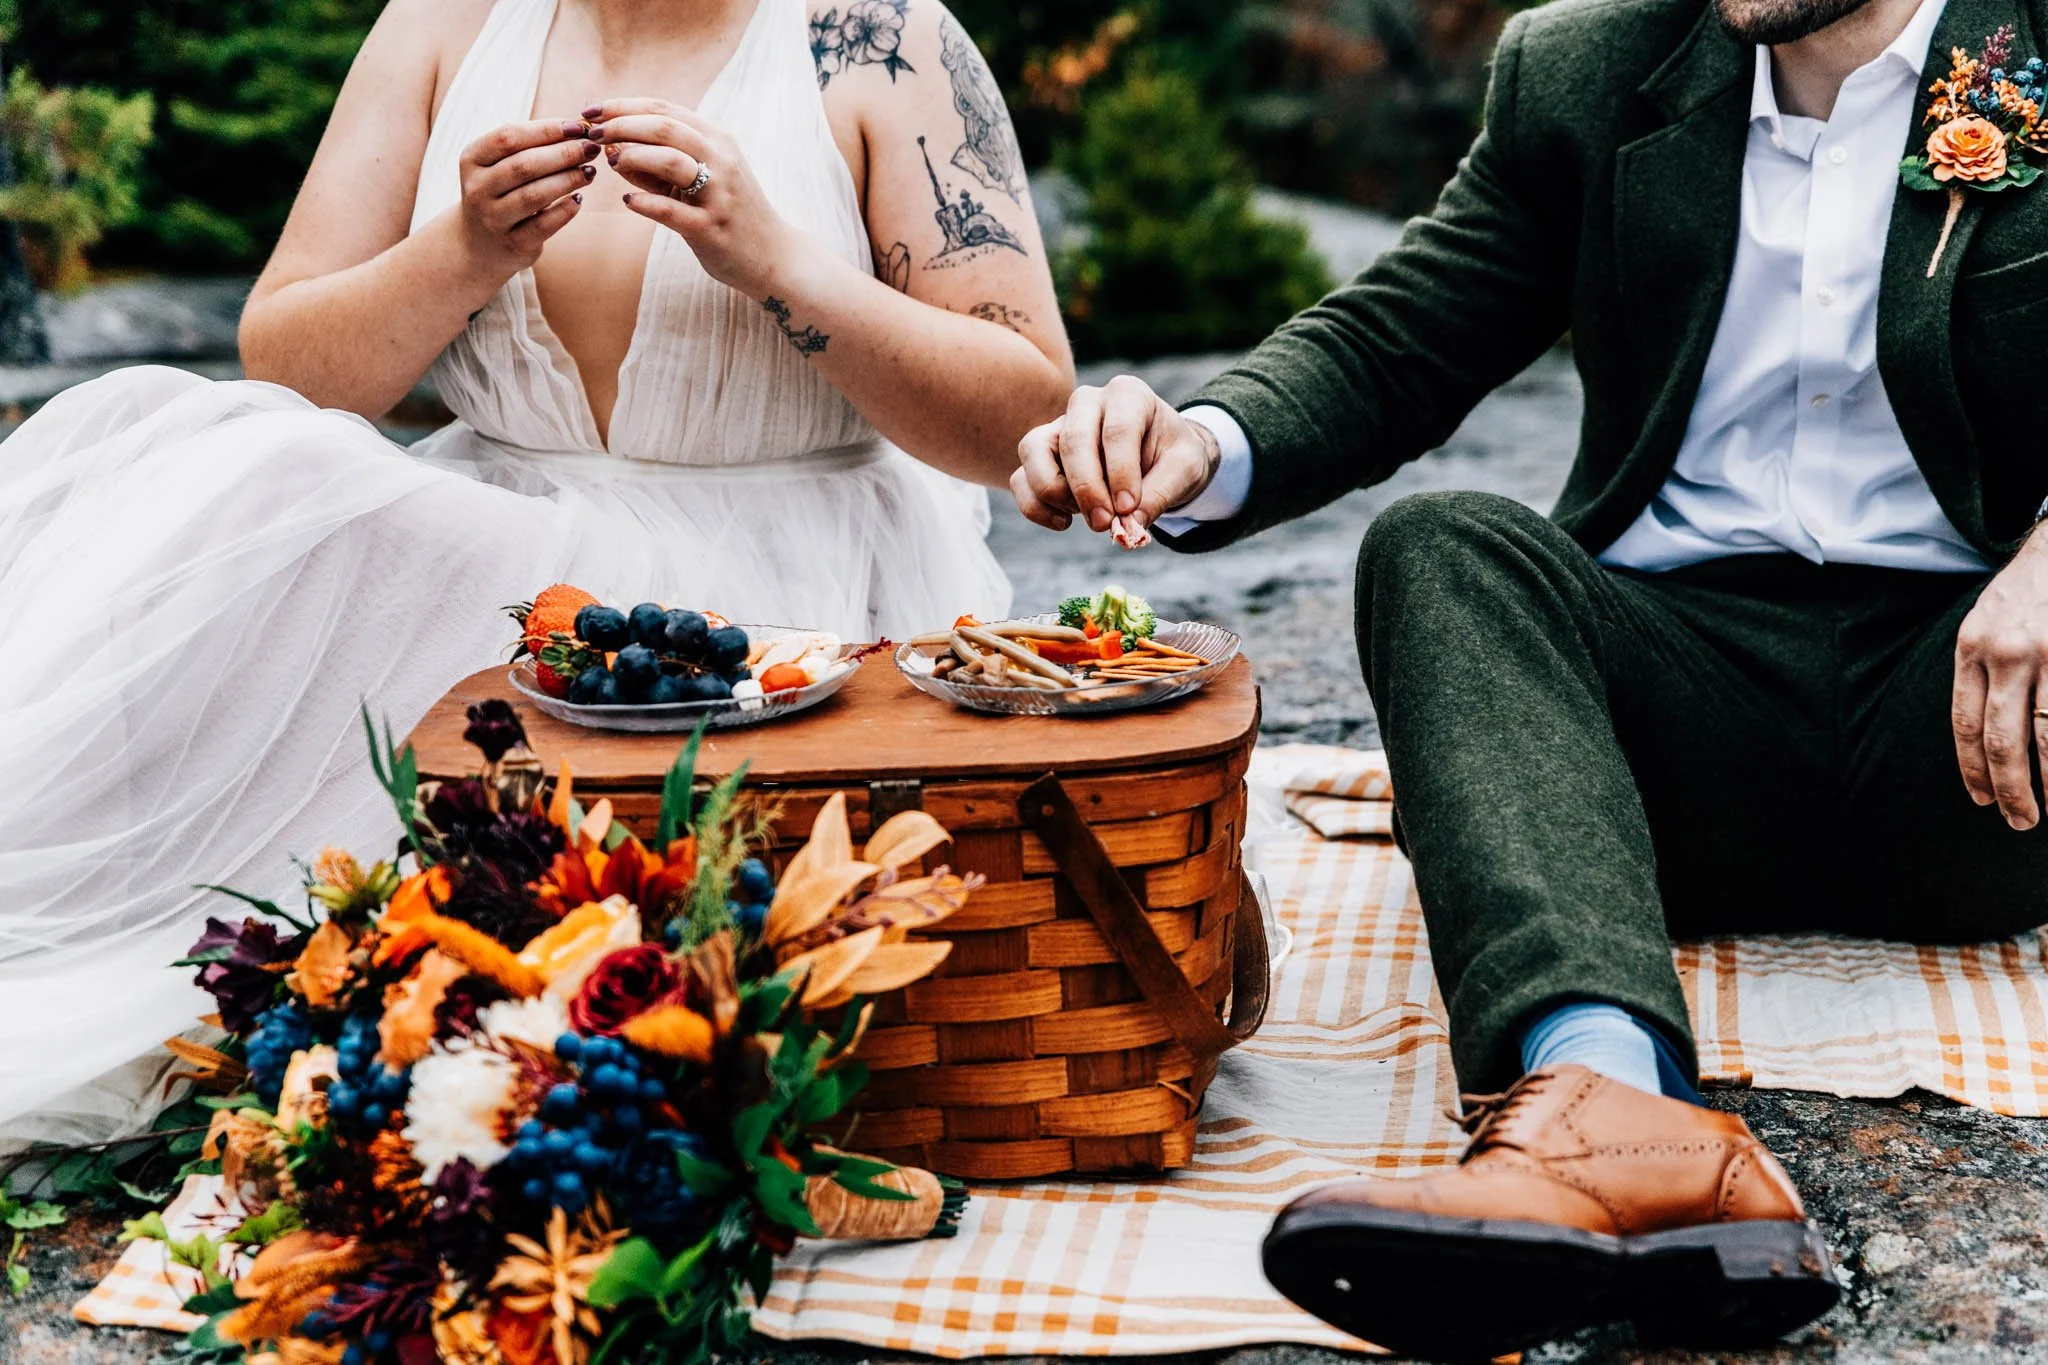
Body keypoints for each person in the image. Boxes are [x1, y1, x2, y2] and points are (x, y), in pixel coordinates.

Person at [1016, 0, 2048, 1353]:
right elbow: (1398, 338)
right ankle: (1605, 1118)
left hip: (1983, 739)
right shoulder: (1588, 69)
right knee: (1444, 548)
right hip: (1663, 739)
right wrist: (1203, 442)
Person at [0, 0, 1070, 1147]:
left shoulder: (881, 37)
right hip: (492, 570)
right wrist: (459, 251)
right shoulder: (441, 25)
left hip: (762, 610)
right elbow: (291, 374)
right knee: (241, 474)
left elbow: (1017, 409)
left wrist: (775, 263)